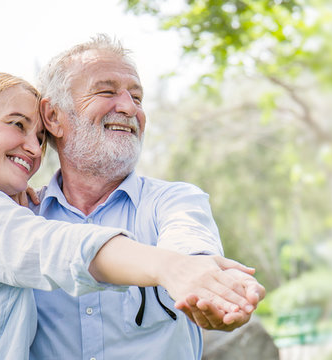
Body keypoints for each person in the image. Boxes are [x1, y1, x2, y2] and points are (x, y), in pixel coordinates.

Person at [0, 70, 258, 359]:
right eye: (16, 125)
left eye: (38, 138)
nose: (33, 148)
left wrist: (200, 270)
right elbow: (55, 247)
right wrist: (172, 268)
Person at [29, 35, 266, 359]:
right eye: (106, 91)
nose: (129, 108)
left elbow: (190, 246)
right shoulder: (23, 218)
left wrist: (207, 285)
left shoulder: (177, 200)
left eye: (137, 97)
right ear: (54, 117)